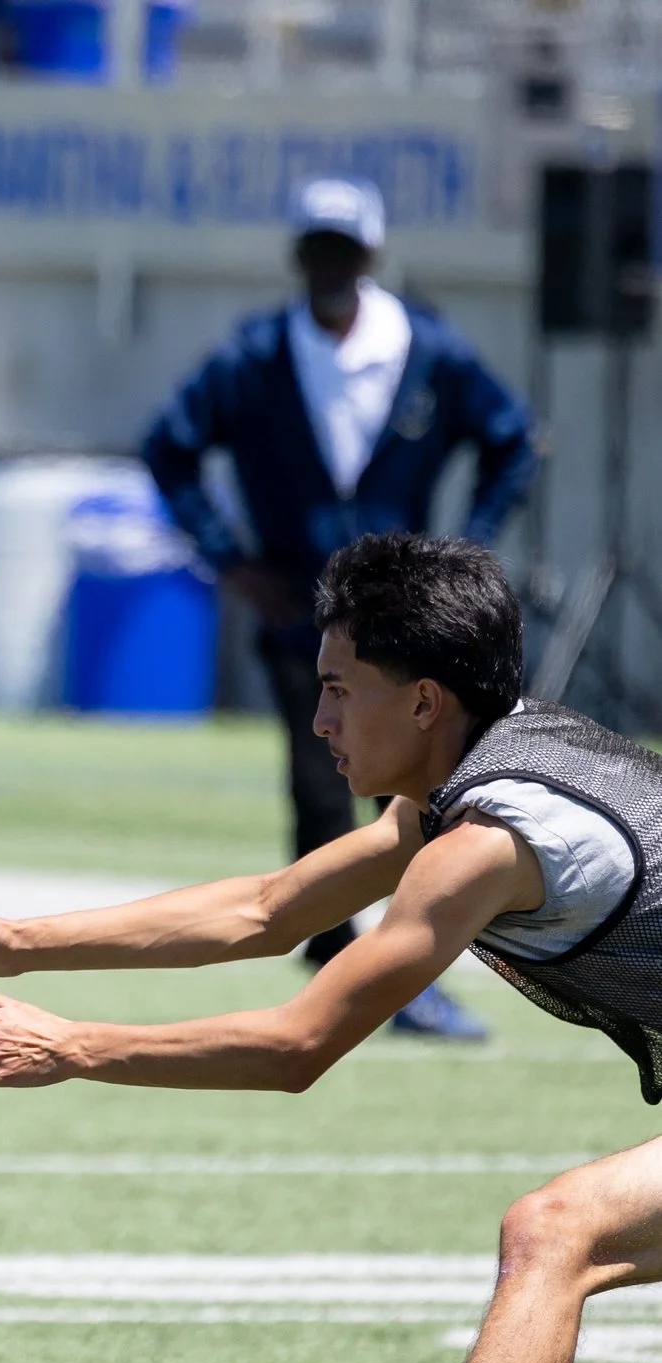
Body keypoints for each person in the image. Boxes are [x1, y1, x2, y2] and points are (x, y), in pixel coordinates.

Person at [0, 533, 662, 1363]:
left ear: (426, 700)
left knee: (556, 1229)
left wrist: (75, 1048)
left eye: (340, 688)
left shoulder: (485, 838)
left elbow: (298, 1042)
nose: (320, 719)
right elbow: (269, 909)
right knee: (560, 1232)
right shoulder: (471, 779)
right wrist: (18, 942)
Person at [142, 174, 538, 1039]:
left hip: (411, 631)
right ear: (299, 256)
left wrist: (465, 548)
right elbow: (168, 448)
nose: (330, 264)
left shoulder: (427, 350)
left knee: (419, 798)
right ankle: (337, 957)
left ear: (371, 256)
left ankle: (405, 965)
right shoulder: (255, 357)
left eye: (345, 249)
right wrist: (230, 562)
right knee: (322, 790)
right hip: (301, 618)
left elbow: (512, 438)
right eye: (317, 247)